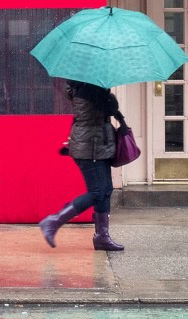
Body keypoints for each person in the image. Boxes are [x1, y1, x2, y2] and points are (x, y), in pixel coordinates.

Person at [39, 80, 125, 251]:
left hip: (98, 145)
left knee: (106, 189)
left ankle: (102, 236)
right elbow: (110, 106)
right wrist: (110, 96)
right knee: (97, 192)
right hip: (91, 147)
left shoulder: (84, 86)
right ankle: (54, 221)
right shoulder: (90, 87)